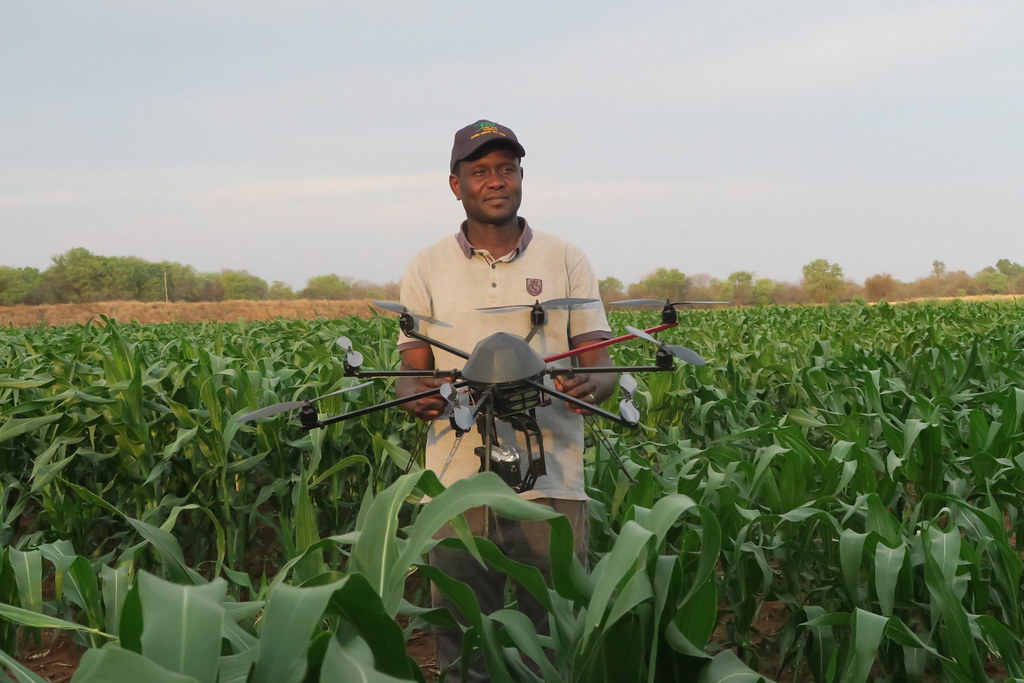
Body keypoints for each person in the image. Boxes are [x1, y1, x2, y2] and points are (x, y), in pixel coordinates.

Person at [395, 119, 617, 681]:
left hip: (553, 479)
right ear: (456, 184)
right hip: (454, 486)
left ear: (520, 177)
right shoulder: (425, 266)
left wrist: (597, 383)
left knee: (557, 633)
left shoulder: (566, 258)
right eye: (480, 171)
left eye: (506, 169)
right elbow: (411, 372)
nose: (496, 181)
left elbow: (601, 359)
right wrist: (409, 395)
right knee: (462, 640)